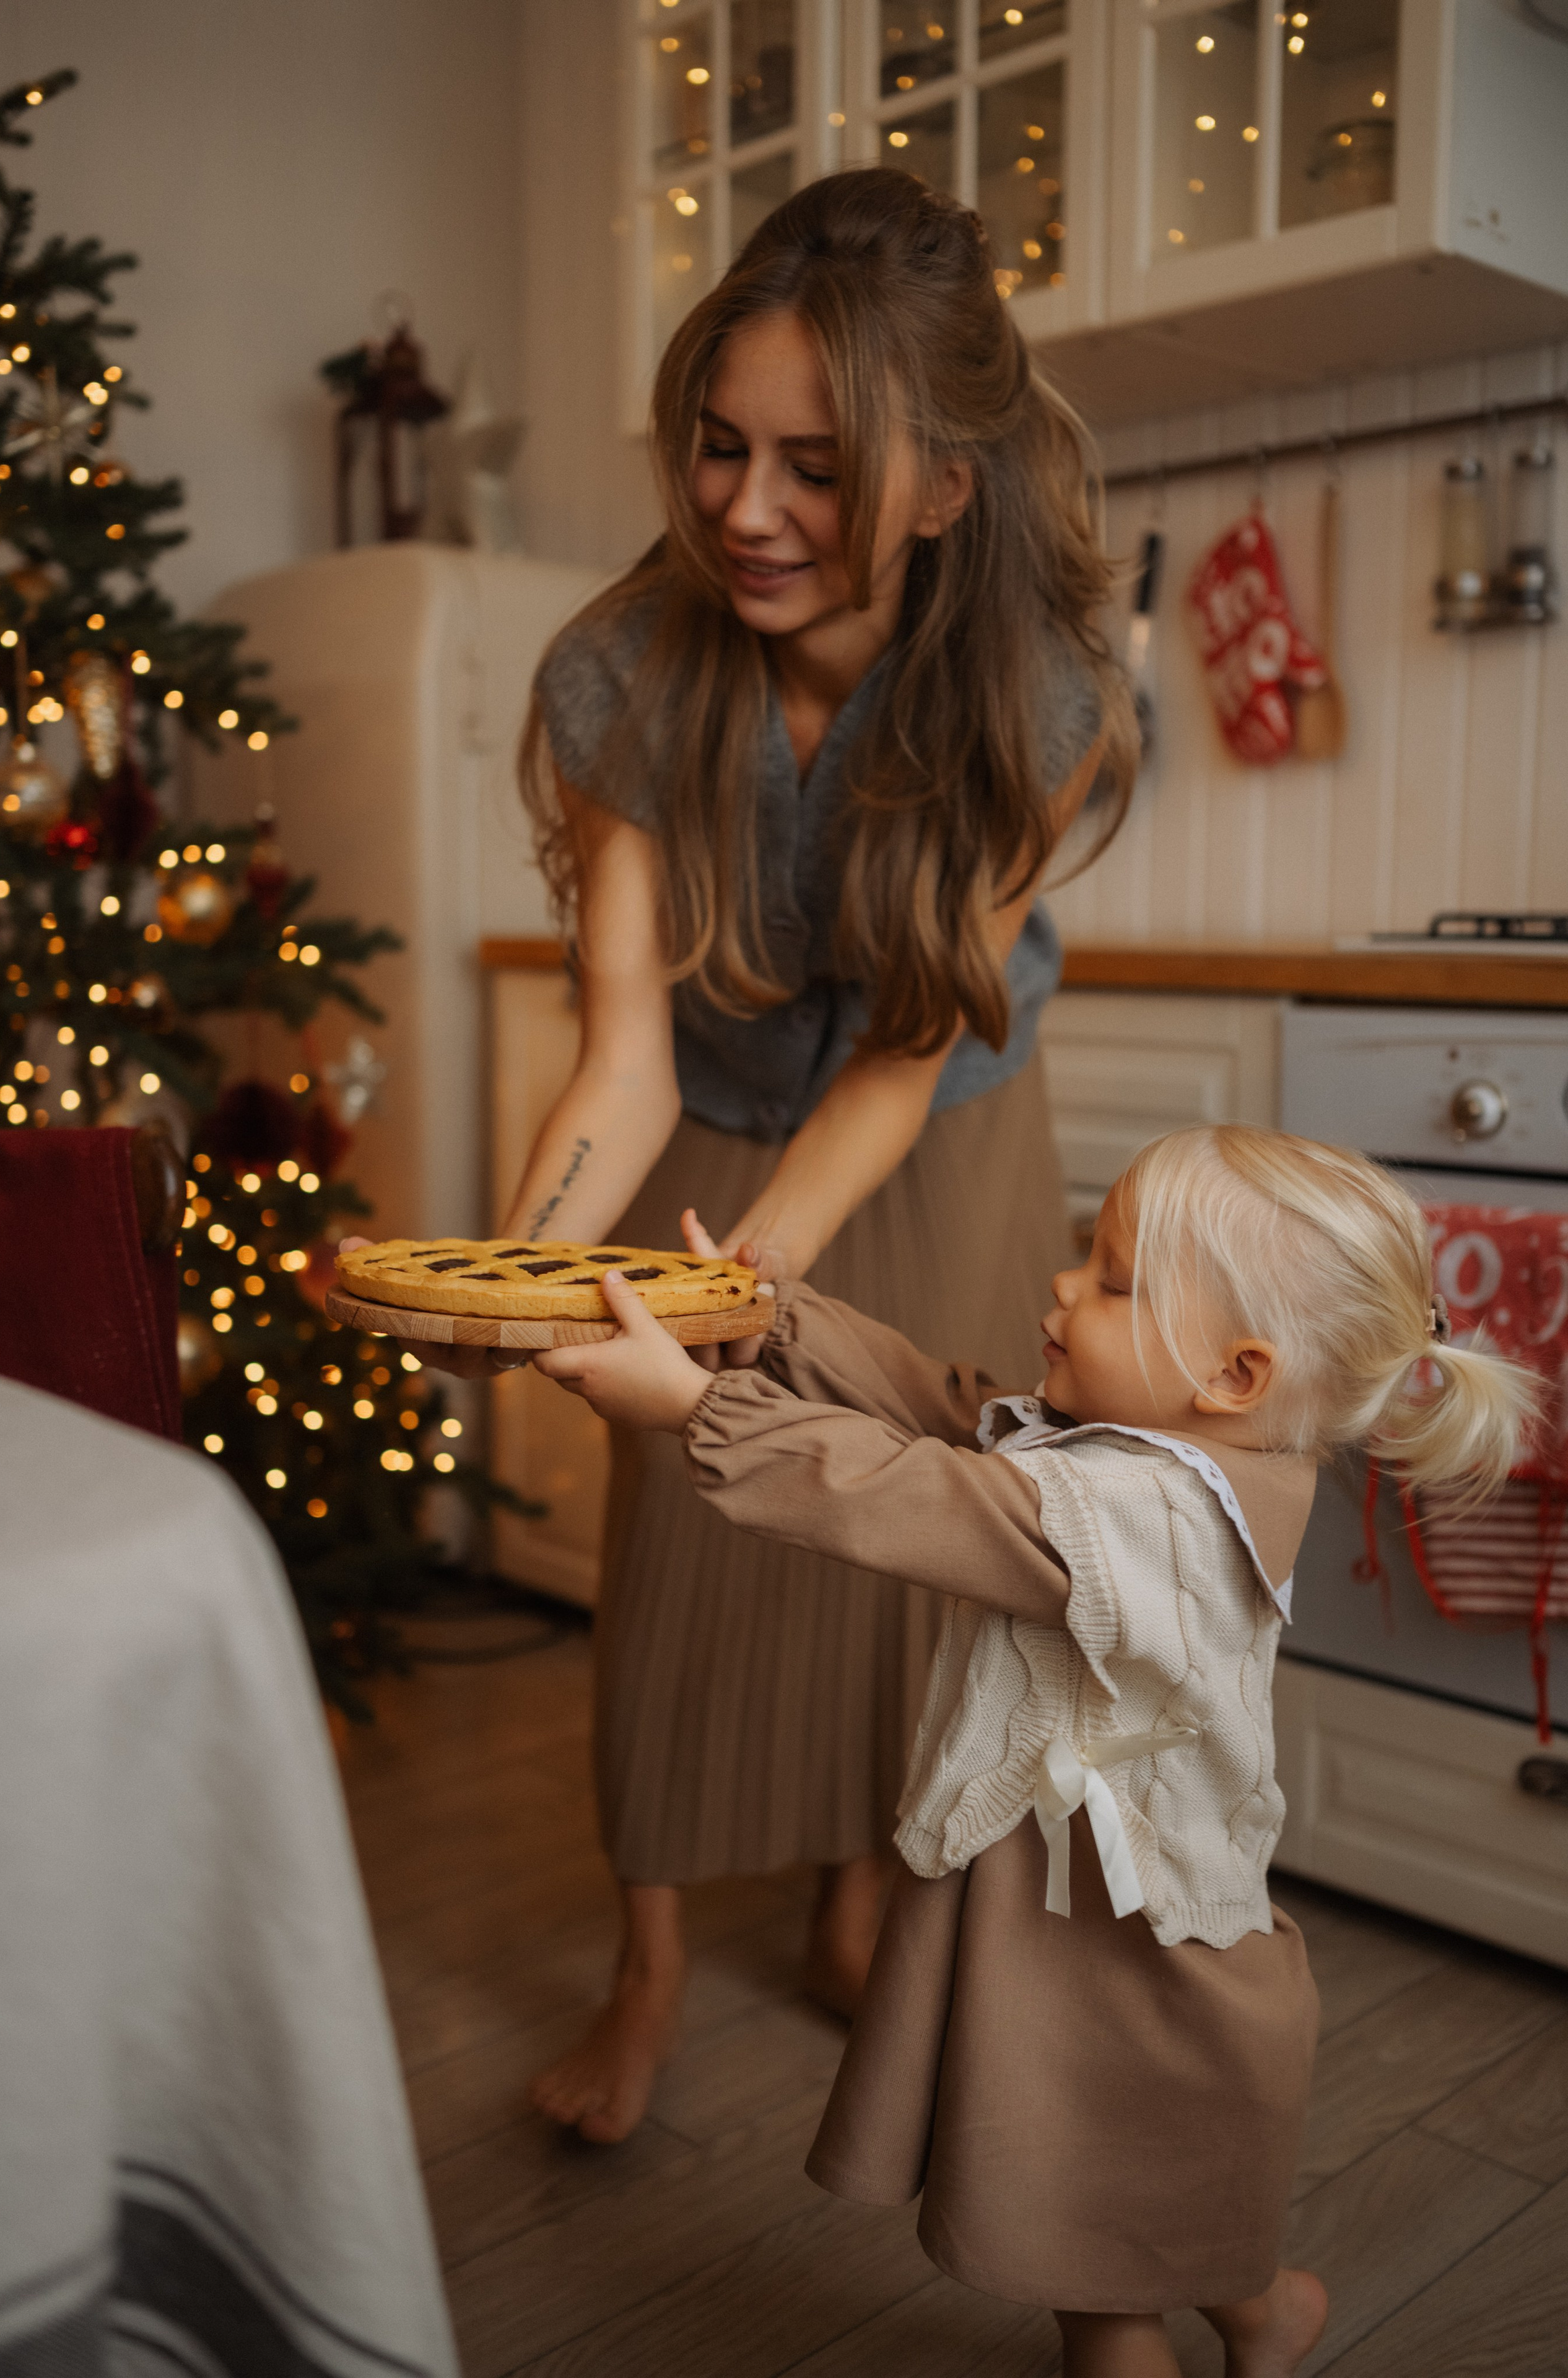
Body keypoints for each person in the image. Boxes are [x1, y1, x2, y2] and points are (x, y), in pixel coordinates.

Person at [492, 166, 1135, 2145]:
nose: (745, 512)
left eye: (816, 469)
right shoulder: (623, 673)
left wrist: (746, 1281)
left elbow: (892, 1064)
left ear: (947, 484)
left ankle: (864, 1910)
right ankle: (654, 1967)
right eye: (717, 449)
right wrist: (515, 1280)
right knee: (687, 1544)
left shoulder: (1048, 700)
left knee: (908, 1539)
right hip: (707, 1100)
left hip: (936, 1137)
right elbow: (614, 1042)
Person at [533, 1123, 1535, 2378]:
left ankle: (1213, 2320)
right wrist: (777, 1321)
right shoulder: (1170, 1448)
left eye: (1112, 1279)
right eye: (1085, 1257)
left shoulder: (1148, 1520)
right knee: (1134, 2192)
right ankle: (1264, 2309)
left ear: (1233, 1373)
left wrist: (696, 1409)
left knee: (1095, 2241)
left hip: (1126, 1942)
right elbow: (946, 1408)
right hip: (1050, 1901)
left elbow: (916, 1492)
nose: (1064, 1287)